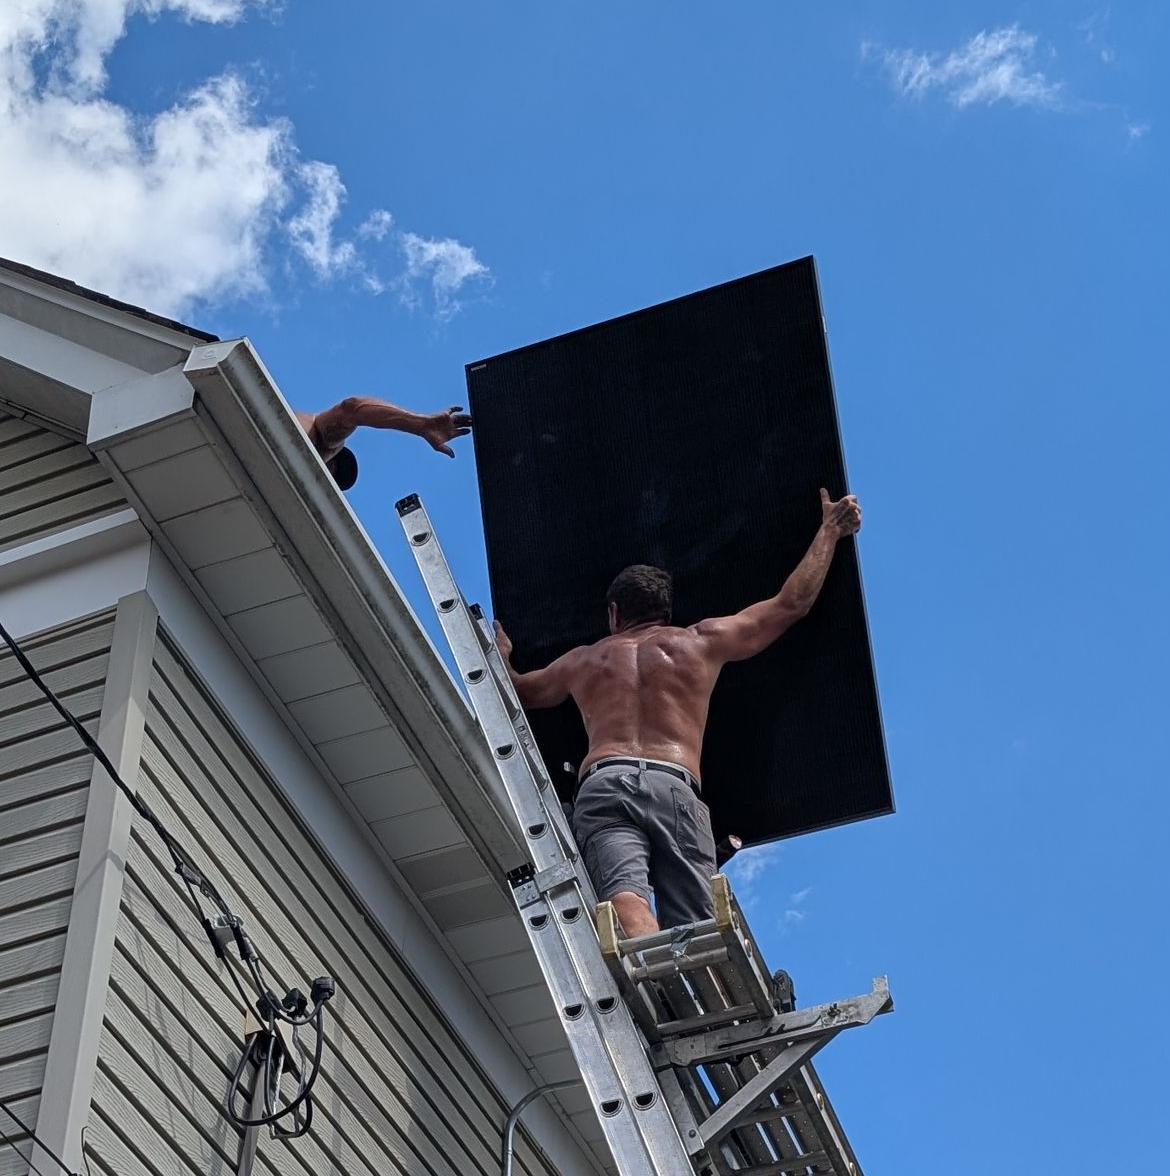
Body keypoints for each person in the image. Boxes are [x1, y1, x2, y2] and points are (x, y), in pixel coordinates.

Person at [495, 485, 863, 938]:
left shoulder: (584, 660)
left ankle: (654, 973)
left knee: (623, 895)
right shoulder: (698, 642)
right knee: (695, 923)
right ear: (666, 611)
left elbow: (521, 692)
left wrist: (502, 655)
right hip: (674, 784)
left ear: (613, 613)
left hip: (605, 782)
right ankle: (689, 987)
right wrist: (829, 531)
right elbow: (791, 605)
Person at [294, 392, 471, 489]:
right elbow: (352, 408)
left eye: (333, 476)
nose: (329, 471)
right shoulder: (321, 440)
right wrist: (421, 425)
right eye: (334, 466)